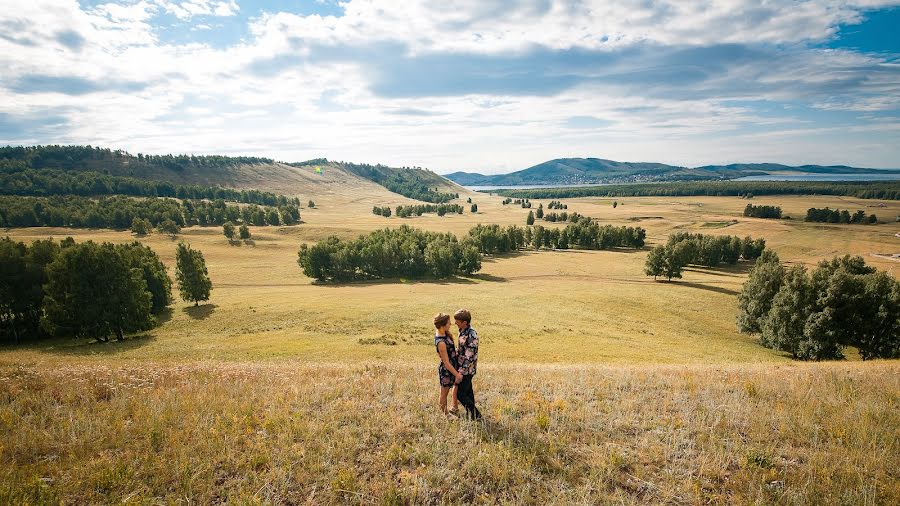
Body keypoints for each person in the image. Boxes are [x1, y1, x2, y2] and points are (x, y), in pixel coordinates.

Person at [454, 308, 482, 420]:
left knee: (460, 394)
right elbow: (461, 350)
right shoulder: (462, 331)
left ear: (465, 322)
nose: (455, 323)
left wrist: (460, 372)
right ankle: (473, 416)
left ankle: (476, 414)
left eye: (457, 321)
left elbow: (468, 357)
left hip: (467, 370)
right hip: (462, 367)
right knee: (468, 393)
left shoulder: (472, 335)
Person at [434, 312, 462, 417]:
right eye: (448, 323)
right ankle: (445, 415)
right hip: (447, 370)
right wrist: (457, 374)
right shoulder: (441, 342)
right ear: (442, 325)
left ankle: (453, 408)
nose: (451, 324)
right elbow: (446, 362)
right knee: (444, 394)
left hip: (452, 367)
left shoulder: (444, 333)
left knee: (452, 389)